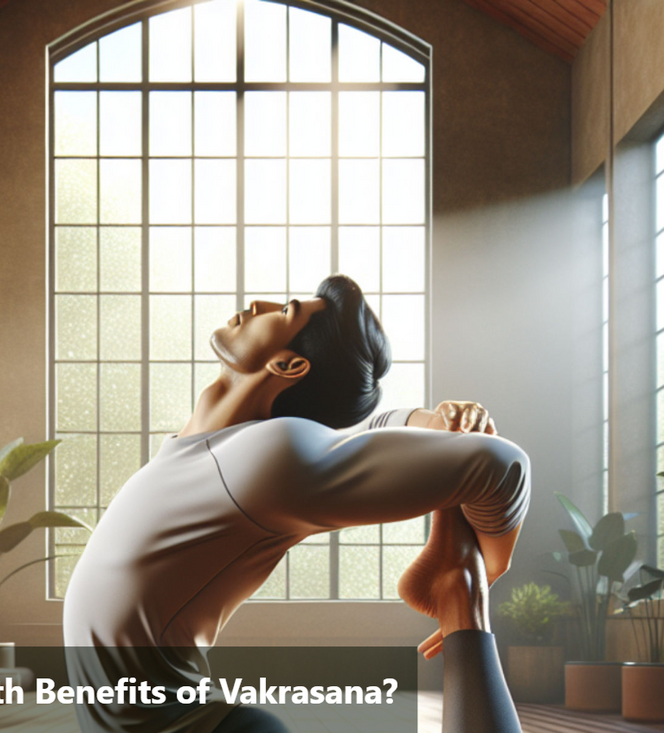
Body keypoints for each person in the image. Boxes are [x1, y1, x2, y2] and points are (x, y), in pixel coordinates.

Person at [63, 275, 529, 733]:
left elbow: (505, 466)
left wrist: (491, 567)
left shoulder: (262, 460)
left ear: (288, 366)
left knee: (465, 581)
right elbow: (369, 433)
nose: (260, 303)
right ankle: (460, 588)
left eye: (284, 312)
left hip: (195, 728)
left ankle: (462, 587)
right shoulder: (225, 451)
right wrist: (432, 422)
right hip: (191, 722)